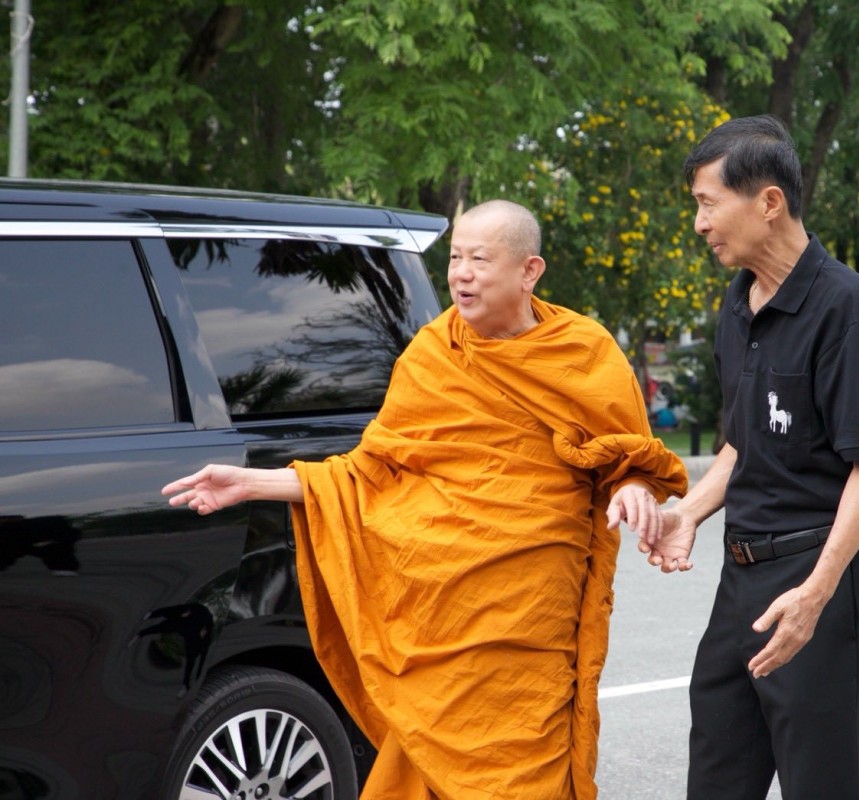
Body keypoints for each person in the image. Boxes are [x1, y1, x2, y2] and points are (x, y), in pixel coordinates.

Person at [163, 199, 688, 800]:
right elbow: (371, 471)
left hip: (529, 610)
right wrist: (254, 483)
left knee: (524, 764)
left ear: (529, 271)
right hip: (437, 609)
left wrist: (633, 487)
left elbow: (626, 454)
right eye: (456, 258)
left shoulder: (583, 351)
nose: (461, 273)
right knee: (426, 749)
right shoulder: (433, 353)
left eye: (479, 260)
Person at [640, 115, 859, 799]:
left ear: (768, 202)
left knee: (819, 785)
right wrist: (689, 513)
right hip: (743, 577)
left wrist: (816, 593)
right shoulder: (738, 305)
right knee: (717, 774)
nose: (699, 223)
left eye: (707, 203)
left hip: (824, 577)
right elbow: (744, 438)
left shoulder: (845, 305)